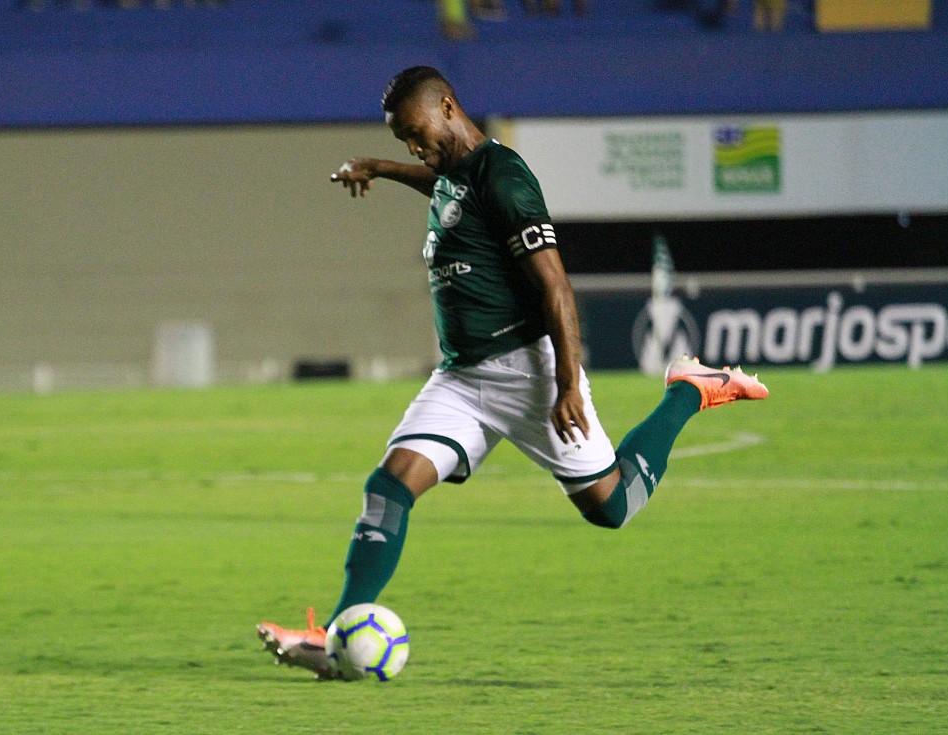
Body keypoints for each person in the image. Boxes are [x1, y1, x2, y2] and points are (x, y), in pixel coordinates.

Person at [257, 66, 768, 679]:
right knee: (388, 488)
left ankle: (688, 391)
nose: (417, 150)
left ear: (448, 106)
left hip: (528, 372)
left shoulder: (503, 175)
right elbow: (448, 189)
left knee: (613, 506)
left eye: (418, 136)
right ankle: (336, 639)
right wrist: (383, 168)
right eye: (405, 145)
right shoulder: (457, 170)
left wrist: (567, 384)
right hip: (461, 377)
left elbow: (554, 283)